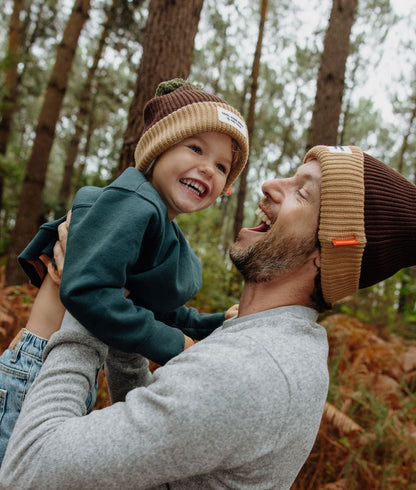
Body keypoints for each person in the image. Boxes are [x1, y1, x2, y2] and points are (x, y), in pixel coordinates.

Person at [2, 145, 416, 489]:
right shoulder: (273, 341)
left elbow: (28, 470)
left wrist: (89, 291)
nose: (270, 186)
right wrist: (127, 314)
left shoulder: (247, 370)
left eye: (302, 194)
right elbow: (163, 433)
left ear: (327, 252)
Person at [0, 78, 248, 464]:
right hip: (37, 368)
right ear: (160, 146)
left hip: (61, 370)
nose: (207, 169)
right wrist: (175, 346)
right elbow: (87, 293)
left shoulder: (156, 222)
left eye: (221, 166)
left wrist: (212, 326)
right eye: (195, 148)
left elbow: (148, 307)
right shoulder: (134, 202)